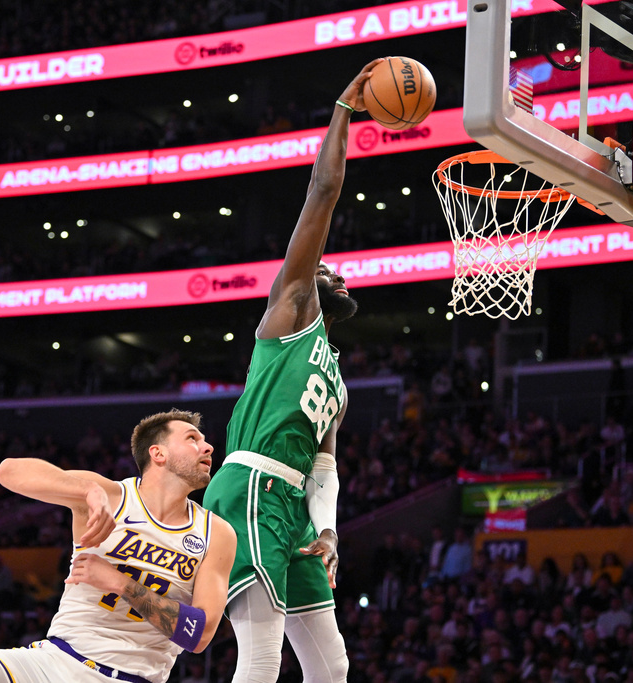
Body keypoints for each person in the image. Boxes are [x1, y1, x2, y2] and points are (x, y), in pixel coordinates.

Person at [202, 60, 382, 683]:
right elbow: (323, 192)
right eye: (326, 267)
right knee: (262, 654)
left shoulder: (337, 381)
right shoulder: (293, 308)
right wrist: (344, 111)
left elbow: (324, 467)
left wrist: (328, 533)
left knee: (332, 664)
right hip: (250, 485)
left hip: (295, 506)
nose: (336, 272)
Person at [0, 409, 235, 683]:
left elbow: (199, 635)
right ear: (158, 453)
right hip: (56, 661)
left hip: (133, 676)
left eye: (204, 440)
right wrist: (86, 489)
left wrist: (121, 584)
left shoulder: (216, 533)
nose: (208, 446)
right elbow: (7, 471)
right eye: (192, 438)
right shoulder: (111, 495)